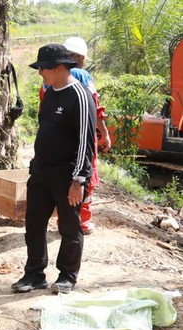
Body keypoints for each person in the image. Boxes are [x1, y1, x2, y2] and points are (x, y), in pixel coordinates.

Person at [12, 44, 96, 294]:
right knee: (34, 223)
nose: (40, 73)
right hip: (41, 171)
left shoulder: (80, 96)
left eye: (44, 69)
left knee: (69, 227)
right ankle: (34, 274)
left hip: (67, 174)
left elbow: (86, 141)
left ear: (59, 68)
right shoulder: (49, 92)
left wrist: (79, 180)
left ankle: (67, 275)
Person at [63, 36, 111, 234]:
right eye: (82, 57)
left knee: (64, 178)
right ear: (76, 56)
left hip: (60, 138)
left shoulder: (51, 74)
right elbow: (95, 109)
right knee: (86, 177)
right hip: (83, 135)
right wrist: (105, 133)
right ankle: (82, 222)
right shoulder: (83, 76)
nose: (83, 62)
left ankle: (63, 221)